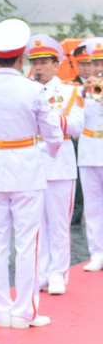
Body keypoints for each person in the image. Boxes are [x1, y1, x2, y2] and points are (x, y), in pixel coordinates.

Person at [0, 19, 63, 328]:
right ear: (21, 57)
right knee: (27, 242)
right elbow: (53, 134)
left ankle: (1, 310)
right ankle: (24, 311)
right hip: (26, 167)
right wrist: (41, 149)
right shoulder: (34, 89)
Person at [25, 35, 83, 295]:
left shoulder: (70, 91)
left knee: (59, 223)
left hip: (60, 162)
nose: (38, 67)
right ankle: (40, 272)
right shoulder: (25, 89)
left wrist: (50, 119)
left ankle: (58, 273)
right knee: (35, 223)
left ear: (56, 63)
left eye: (44, 62)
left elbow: (77, 126)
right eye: (35, 62)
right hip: (31, 162)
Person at [79, 37, 103, 272]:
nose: (97, 68)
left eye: (101, 62)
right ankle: (97, 253)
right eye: (94, 62)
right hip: (88, 152)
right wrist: (83, 93)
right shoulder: (79, 90)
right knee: (93, 206)